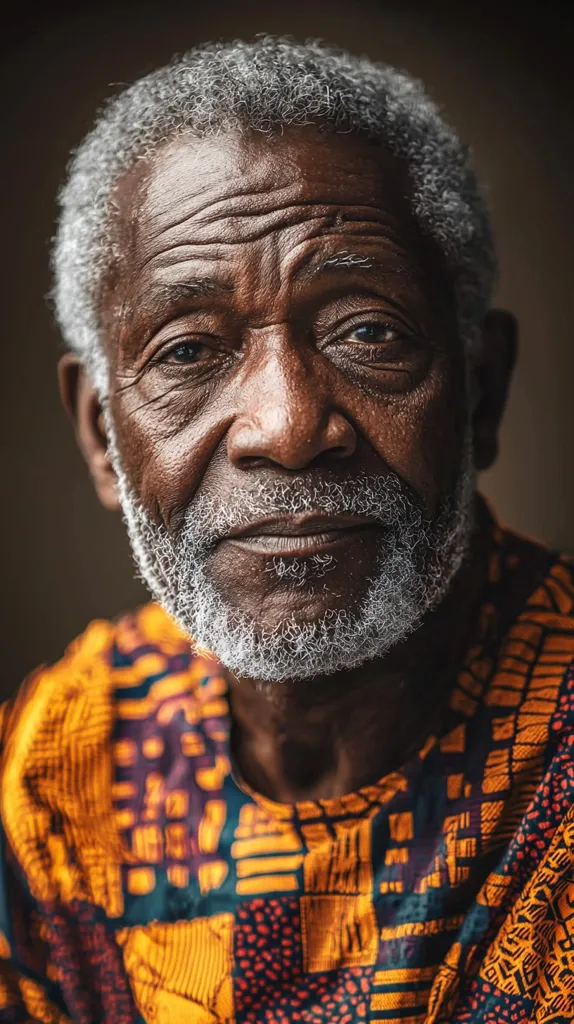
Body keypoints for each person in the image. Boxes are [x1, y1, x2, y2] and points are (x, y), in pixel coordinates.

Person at [0, 34, 572, 1024]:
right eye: (187, 350)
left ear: (480, 390)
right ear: (102, 435)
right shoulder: (63, 760)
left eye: (368, 332)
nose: (288, 425)